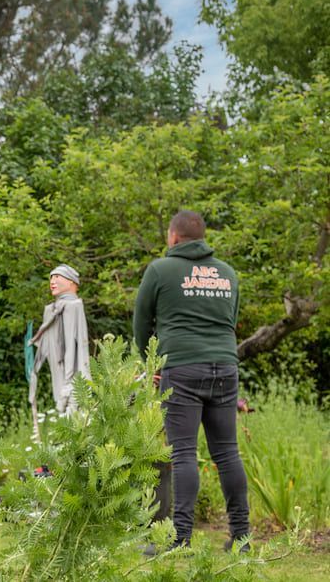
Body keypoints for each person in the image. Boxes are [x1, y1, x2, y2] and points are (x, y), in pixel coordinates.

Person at [133, 210, 249, 552]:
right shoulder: (227, 274)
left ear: (173, 237)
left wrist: (150, 362)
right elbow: (231, 320)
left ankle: (178, 537)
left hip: (181, 368)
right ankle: (241, 537)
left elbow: (141, 323)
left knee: (183, 452)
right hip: (225, 368)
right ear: (202, 237)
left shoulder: (159, 270)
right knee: (227, 452)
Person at [29, 264, 91, 420]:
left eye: (57, 276)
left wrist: (69, 383)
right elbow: (46, 345)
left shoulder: (74, 306)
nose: (52, 281)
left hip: (73, 378)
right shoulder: (51, 309)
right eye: (51, 277)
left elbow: (74, 347)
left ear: (72, 283)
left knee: (76, 415)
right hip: (58, 372)